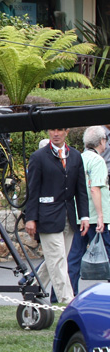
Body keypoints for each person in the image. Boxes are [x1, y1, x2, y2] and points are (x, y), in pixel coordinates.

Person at [25, 127, 89, 305]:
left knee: (56, 259)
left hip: (69, 216)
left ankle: (33, 289)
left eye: (60, 130)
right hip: (47, 217)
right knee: (58, 260)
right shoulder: (38, 157)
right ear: (47, 132)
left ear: (66, 132)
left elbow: (81, 190)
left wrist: (84, 216)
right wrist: (30, 218)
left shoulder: (75, 156)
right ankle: (68, 302)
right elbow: (33, 190)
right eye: (53, 130)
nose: (56, 133)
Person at [67, 126, 109, 295]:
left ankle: (69, 293)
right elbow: (95, 189)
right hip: (97, 218)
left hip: (79, 216)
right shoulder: (98, 161)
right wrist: (100, 216)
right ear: (102, 141)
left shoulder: (77, 158)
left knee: (74, 257)